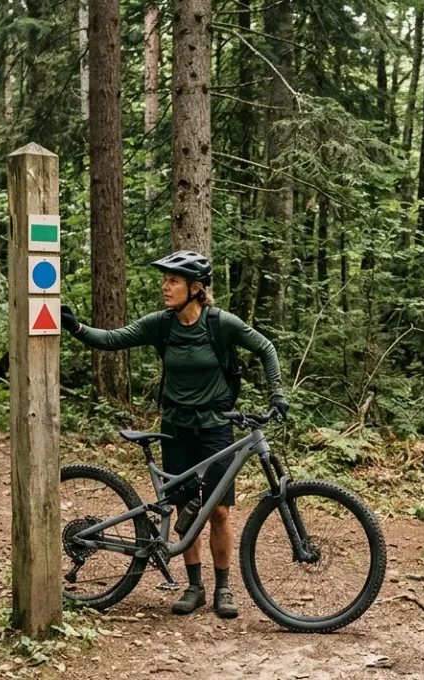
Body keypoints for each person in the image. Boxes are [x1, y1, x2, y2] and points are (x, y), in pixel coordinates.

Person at [59, 250, 288, 619]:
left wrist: (277, 393)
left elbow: (265, 347)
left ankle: (224, 588)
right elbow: (112, 340)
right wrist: (76, 327)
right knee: (184, 511)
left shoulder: (220, 323)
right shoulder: (161, 324)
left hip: (215, 428)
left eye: (173, 281)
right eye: (165, 280)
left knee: (219, 513)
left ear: (195, 289)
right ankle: (194, 587)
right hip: (175, 430)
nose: (165, 287)